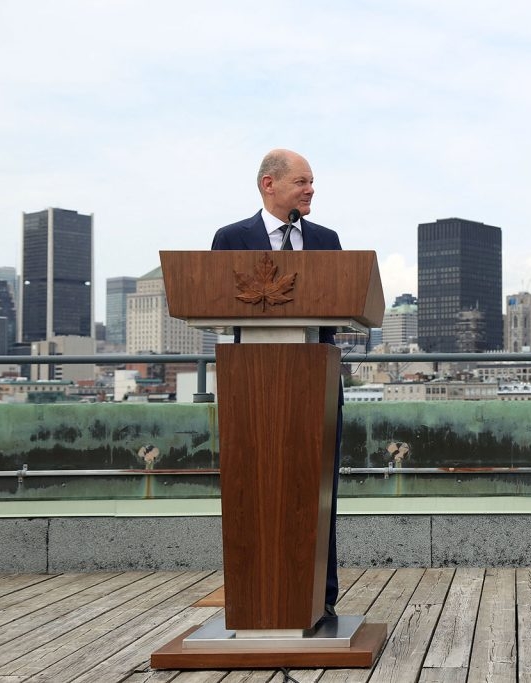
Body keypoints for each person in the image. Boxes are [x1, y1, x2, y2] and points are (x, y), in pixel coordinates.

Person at [212, 148, 344, 617]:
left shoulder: (327, 240)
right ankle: (255, 600)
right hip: (252, 388)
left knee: (318, 490)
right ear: (269, 184)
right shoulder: (231, 239)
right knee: (253, 491)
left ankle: (319, 599)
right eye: (302, 182)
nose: (311, 190)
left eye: (312, 183)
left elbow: (342, 305)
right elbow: (215, 303)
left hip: (317, 386)